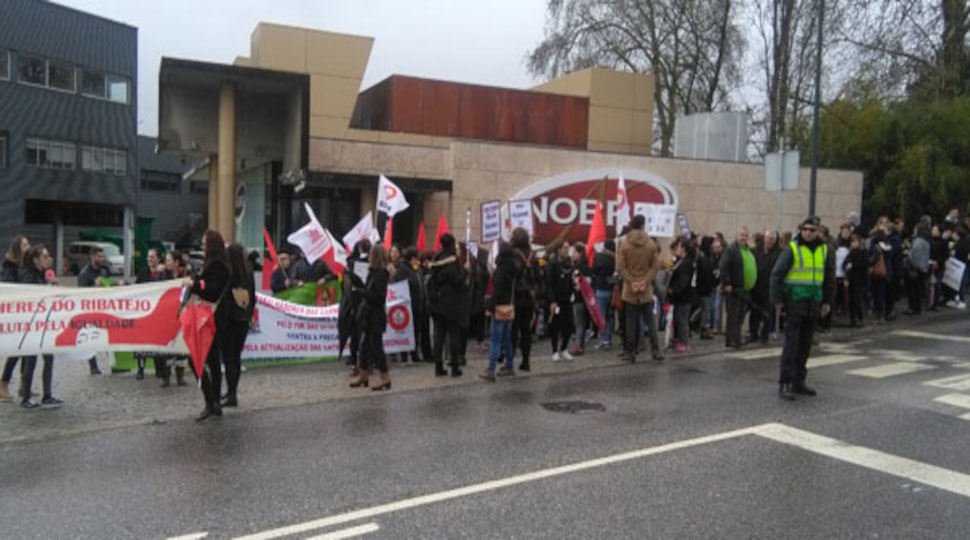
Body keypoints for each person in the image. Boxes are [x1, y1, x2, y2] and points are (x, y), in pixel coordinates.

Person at [770, 218, 836, 400]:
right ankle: (785, 382)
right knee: (791, 344)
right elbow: (777, 274)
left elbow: (829, 277)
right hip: (795, 301)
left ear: (818, 232)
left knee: (805, 345)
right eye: (805, 229)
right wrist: (777, 300)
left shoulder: (824, 250)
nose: (808, 233)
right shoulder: (793, 248)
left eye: (812, 230)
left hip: (813, 303)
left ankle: (799, 380)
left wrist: (827, 301)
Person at [183, 230, 231, 421]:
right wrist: (196, 280)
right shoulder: (215, 264)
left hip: (211, 318)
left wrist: (193, 285)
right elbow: (206, 284)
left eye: (204, 243)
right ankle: (214, 402)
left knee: (196, 359)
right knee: (211, 360)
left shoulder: (217, 265)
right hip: (212, 317)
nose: (202, 246)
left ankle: (210, 400)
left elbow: (211, 291)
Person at [18, 245, 63, 409]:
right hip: (31, 325)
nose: (48, 259)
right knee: (31, 360)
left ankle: (47, 395)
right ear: (36, 260)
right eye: (45, 256)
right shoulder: (28, 276)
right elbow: (32, 298)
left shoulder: (42, 275)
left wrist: (53, 285)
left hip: (44, 324)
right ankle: (26, 397)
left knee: (49, 358)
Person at [617, 214, 663, 363]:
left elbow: (621, 267)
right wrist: (645, 281)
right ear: (643, 225)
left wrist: (632, 282)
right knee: (650, 322)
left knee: (630, 322)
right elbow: (655, 266)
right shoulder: (651, 244)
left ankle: (631, 353)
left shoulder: (625, 244)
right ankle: (655, 351)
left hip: (630, 290)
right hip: (646, 289)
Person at [350, 244, 392, 390]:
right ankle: (363, 374)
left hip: (376, 315)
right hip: (368, 315)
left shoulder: (381, 274)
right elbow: (367, 289)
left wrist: (362, 293)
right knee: (364, 346)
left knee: (377, 347)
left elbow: (379, 297)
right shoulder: (372, 272)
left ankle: (385, 377)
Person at [428, 233, 468, 377]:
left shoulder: (437, 258)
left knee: (439, 335)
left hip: (437, 304)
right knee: (453, 336)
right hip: (451, 304)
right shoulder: (451, 261)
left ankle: (438, 367)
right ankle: (455, 367)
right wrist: (465, 272)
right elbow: (458, 281)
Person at [480, 240, 520, 382]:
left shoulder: (502, 268)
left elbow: (497, 291)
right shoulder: (514, 267)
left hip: (500, 307)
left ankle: (491, 369)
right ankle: (509, 365)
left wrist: (490, 307)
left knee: (495, 339)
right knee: (506, 337)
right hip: (510, 306)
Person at [222, 243, 255, 407]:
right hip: (243, 319)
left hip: (229, 320)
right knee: (236, 357)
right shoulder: (248, 272)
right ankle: (233, 391)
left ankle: (231, 393)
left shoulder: (229, 273)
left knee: (228, 358)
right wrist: (248, 314)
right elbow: (253, 297)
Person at [134, 248, 173, 381]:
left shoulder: (165, 274)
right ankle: (140, 369)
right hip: (145, 313)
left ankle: (160, 369)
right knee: (142, 344)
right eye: (148, 257)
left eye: (152, 257)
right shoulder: (143, 273)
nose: (149, 259)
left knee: (158, 342)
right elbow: (135, 289)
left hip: (160, 314)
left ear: (158, 258)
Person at [1, 235, 30, 401]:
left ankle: (24, 385)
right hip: (16, 313)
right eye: (25, 244)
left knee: (29, 349)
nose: (28, 246)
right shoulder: (10, 266)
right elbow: (9, 287)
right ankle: (4, 382)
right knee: (17, 350)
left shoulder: (27, 265)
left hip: (28, 312)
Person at [77, 246, 114, 375]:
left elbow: (109, 284)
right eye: (99, 256)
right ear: (92, 256)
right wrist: (94, 286)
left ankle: (114, 363)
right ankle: (93, 366)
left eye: (102, 256)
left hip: (105, 308)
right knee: (92, 337)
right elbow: (81, 294)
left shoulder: (104, 270)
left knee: (110, 335)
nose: (101, 259)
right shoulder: (84, 273)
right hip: (91, 310)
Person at [720, 227, 756, 349]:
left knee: (740, 315)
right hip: (734, 288)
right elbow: (724, 266)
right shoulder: (731, 250)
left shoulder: (747, 250)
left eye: (746, 235)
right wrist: (727, 283)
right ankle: (732, 340)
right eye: (741, 235)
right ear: (736, 236)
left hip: (745, 289)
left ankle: (736, 337)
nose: (743, 237)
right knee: (733, 315)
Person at [509, 227, 538, 371]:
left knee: (513, 331)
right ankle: (526, 361)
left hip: (515, 297)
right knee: (526, 331)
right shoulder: (533, 255)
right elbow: (538, 276)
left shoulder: (512, 254)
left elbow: (511, 274)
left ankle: (510, 361)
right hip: (529, 298)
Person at [339, 240, 370, 373]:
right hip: (357, 302)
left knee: (358, 333)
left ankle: (358, 359)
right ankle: (358, 359)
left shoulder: (354, 263)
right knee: (357, 332)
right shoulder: (353, 264)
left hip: (357, 301)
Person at [393, 246, 424, 363]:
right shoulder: (403, 269)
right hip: (407, 306)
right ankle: (405, 355)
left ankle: (414, 353)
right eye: (416, 258)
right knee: (406, 330)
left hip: (416, 305)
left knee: (416, 330)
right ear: (412, 258)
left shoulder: (414, 269)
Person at [545, 240, 575, 361]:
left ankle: (564, 348)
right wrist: (552, 301)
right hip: (556, 301)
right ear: (558, 249)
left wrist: (574, 288)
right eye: (564, 248)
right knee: (555, 325)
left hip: (567, 299)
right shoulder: (551, 264)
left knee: (569, 325)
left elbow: (570, 280)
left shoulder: (570, 264)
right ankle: (554, 350)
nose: (567, 250)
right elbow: (549, 284)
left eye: (568, 248)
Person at [752, 231, 781, 343]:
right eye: (767, 238)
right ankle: (753, 333)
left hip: (769, 288)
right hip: (757, 286)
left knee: (768, 312)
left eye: (771, 239)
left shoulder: (778, 253)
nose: (769, 240)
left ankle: (765, 335)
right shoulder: (756, 251)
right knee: (755, 312)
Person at [667, 238, 696, 353]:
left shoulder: (687, 263)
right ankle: (678, 340)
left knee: (682, 319)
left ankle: (685, 342)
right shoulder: (680, 261)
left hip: (683, 296)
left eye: (678, 247)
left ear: (683, 249)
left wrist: (674, 289)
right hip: (679, 297)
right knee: (678, 319)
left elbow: (684, 281)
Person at [591, 239, 617, 349]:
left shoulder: (599, 257)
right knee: (610, 315)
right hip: (612, 290)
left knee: (601, 316)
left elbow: (594, 271)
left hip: (601, 289)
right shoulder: (616, 259)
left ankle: (604, 339)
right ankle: (608, 339)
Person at [844, 233, 869, 327]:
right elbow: (845, 264)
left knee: (857, 300)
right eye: (852, 242)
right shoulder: (850, 253)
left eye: (855, 241)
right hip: (851, 279)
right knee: (851, 300)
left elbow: (864, 264)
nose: (853, 244)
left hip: (860, 279)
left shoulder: (863, 252)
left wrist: (853, 265)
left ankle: (860, 318)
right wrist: (846, 274)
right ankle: (852, 319)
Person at [905, 225, 931, 316]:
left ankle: (913, 308)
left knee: (912, 289)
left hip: (915, 269)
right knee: (919, 289)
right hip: (924, 268)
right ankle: (918, 308)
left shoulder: (916, 241)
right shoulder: (926, 242)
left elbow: (913, 256)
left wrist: (908, 255)